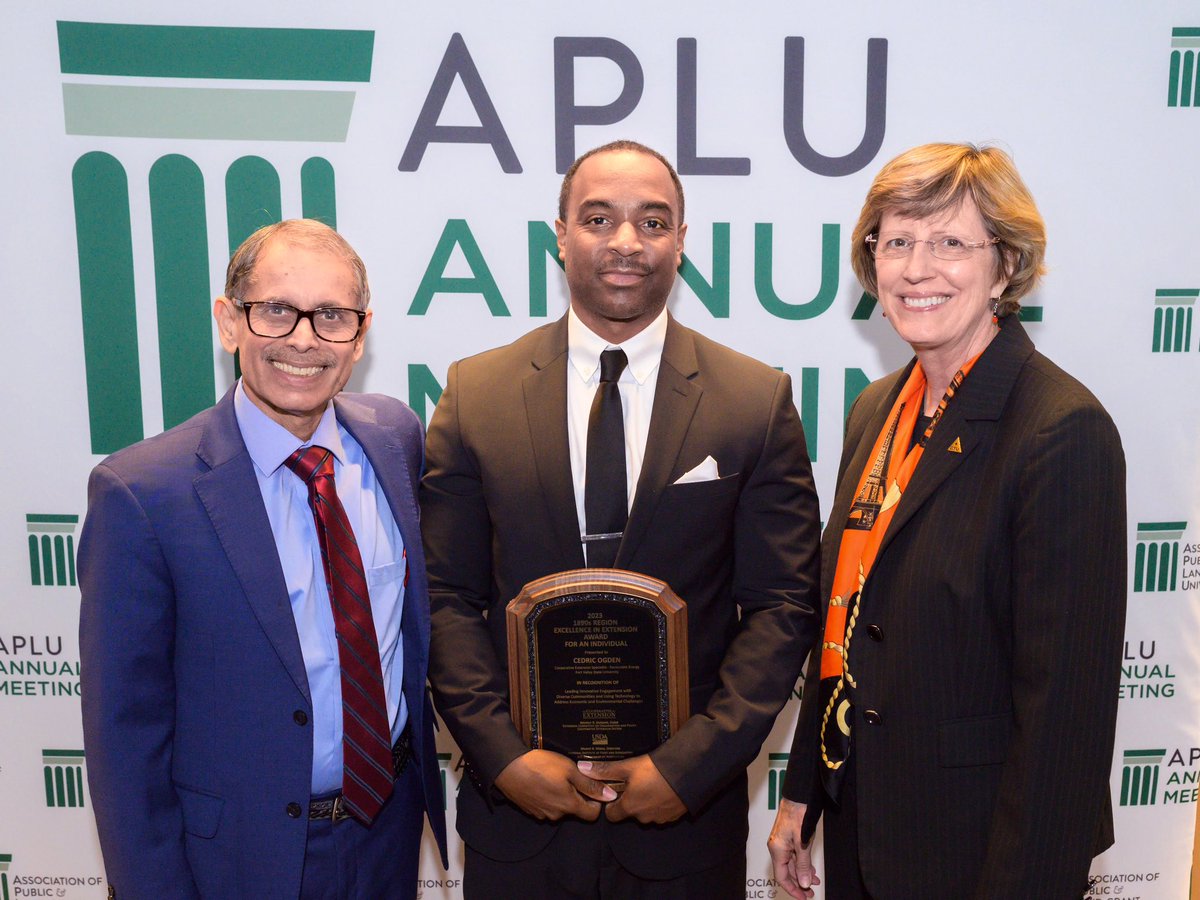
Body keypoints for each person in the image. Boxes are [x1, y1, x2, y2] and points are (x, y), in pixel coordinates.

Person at [421, 140, 822, 897]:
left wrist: (690, 767)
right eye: (599, 218)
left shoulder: (753, 399)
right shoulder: (477, 394)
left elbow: (781, 607)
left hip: (683, 826)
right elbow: (444, 599)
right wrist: (503, 757)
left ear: (682, 241)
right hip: (518, 826)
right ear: (561, 235)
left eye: (654, 221)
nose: (626, 243)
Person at [768, 143, 1126, 899]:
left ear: (1005, 267)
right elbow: (847, 619)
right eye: (896, 241)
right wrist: (803, 791)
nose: (916, 268)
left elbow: (1066, 716)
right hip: (866, 823)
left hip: (982, 848)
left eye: (950, 243)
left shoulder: (1060, 431)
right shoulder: (878, 411)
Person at [79, 219, 447, 899]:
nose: (303, 338)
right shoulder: (142, 495)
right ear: (229, 321)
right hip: (239, 859)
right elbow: (124, 740)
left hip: (389, 833)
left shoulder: (394, 439)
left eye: (331, 315)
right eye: (276, 310)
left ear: (361, 333)